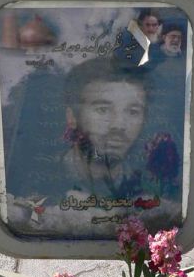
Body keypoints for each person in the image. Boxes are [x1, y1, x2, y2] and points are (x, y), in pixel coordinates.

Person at [62, 59, 149, 198]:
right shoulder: (35, 185)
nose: (119, 125)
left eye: (133, 112)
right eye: (103, 110)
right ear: (72, 117)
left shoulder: (150, 190)